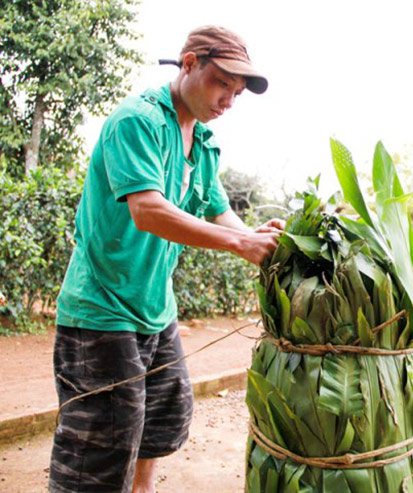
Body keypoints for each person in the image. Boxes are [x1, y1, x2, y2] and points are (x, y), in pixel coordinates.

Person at [49, 26, 281, 493]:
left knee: (164, 414)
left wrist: (255, 238)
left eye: (236, 94)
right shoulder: (138, 121)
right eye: (222, 84)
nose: (228, 102)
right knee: (102, 440)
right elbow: (148, 211)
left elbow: (216, 210)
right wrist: (239, 245)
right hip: (102, 309)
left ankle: (142, 489)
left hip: (156, 310)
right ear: (190, 64)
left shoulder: (203, 142)